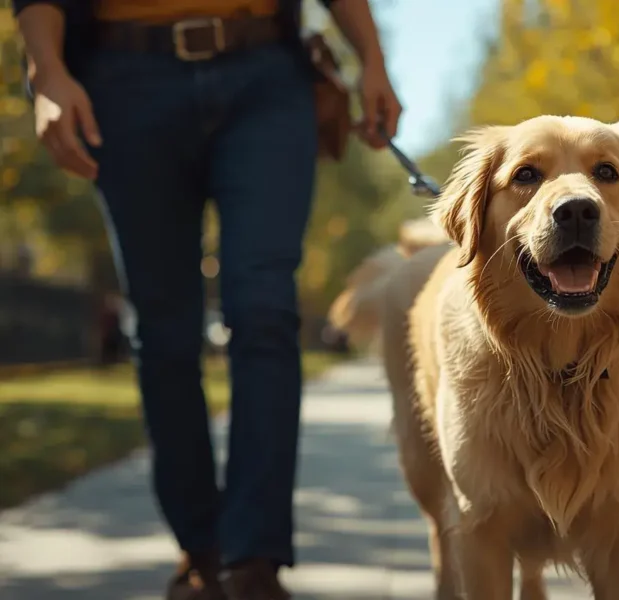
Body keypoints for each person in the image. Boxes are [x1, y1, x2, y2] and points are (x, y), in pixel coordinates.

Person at [12, 1, 402, 599]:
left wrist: (372, 58)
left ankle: (254, 563)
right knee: (163, 331)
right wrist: (47, 72)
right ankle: (201, 550)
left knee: (265, 311)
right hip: (124, 77)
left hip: (264, 71)